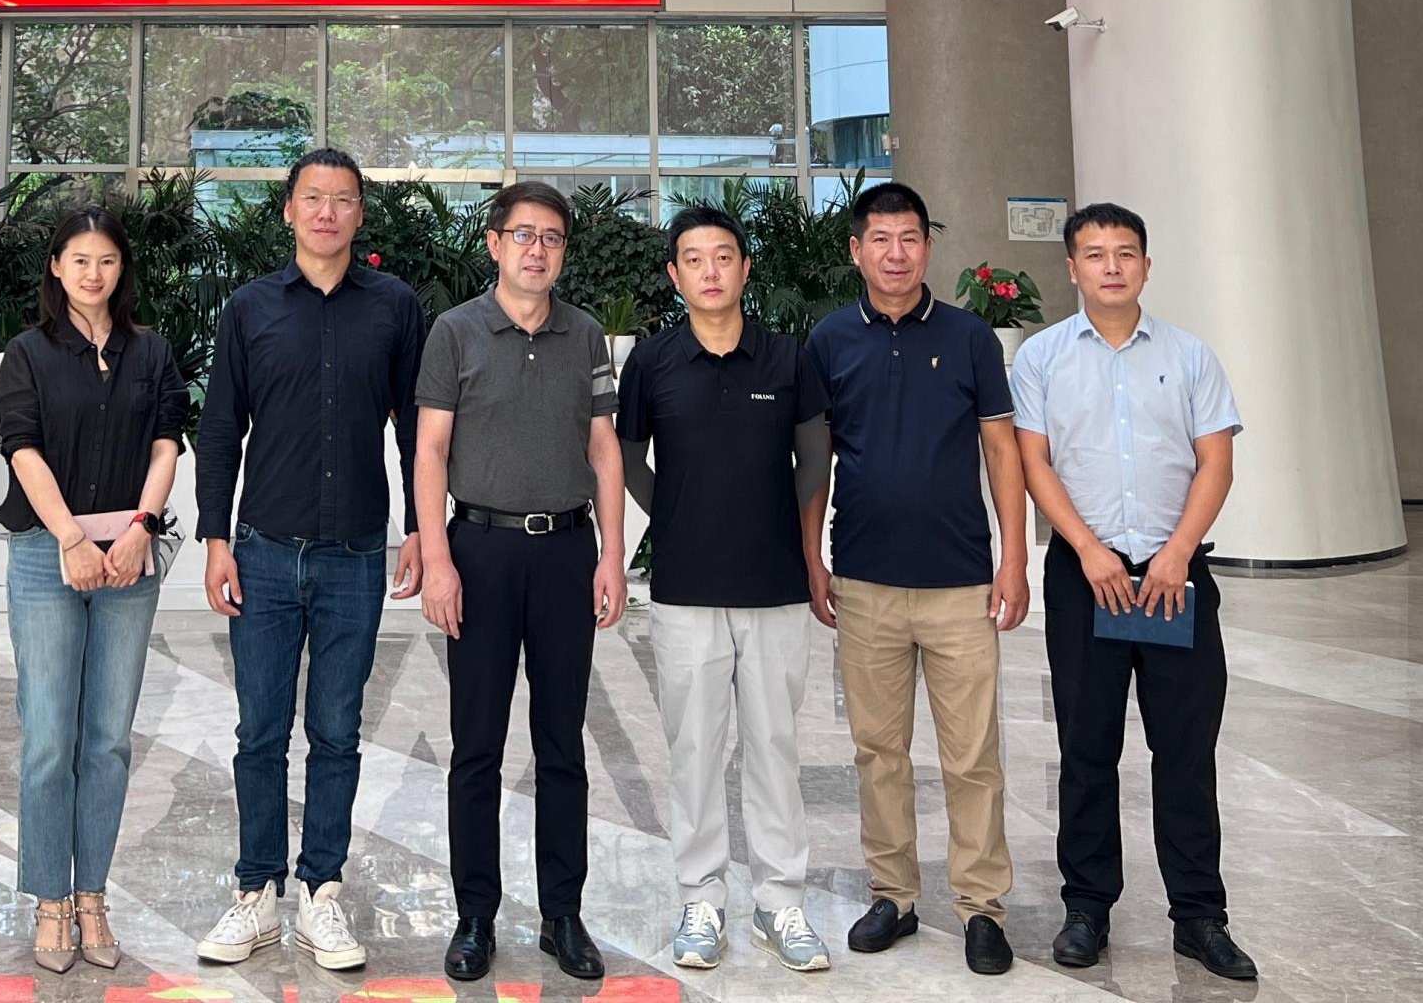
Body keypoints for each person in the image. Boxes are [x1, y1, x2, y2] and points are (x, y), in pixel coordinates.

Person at [192, 148, 429, 973]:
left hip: (355, 556)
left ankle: (321, 892)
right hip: (262, 551)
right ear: (289, 209)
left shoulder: (394, 307)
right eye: (313, 198)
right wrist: (215, 539)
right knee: (259, 732)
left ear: (361, 212)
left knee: (336, 732)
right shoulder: (250, 307)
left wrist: (419, 527)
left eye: (343, 199)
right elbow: (220, 428)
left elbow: (417, 428)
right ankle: (256, 892)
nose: (327, 212)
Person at [1011, 203, 1256, 983]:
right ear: (1071, 268)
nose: (1111, 266)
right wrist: (1088, 550)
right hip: (1087, 577)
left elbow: (1215, 462)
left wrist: (1177, 553)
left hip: (1173, 575)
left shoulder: (1190, 357)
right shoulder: (1041, 358)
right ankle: (1087, 907)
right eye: (1095, 254)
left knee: (1185, 750)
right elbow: (1033, 463)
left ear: (1147, 266)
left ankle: (1200, 915)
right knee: (1086, 748)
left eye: (1125, 253)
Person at [804, 179, 1030, 977]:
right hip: (865, 581)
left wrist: (1013, 557)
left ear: (927, 248)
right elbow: (814, 459)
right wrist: (813, 557)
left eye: (909, 239)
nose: (895, 254)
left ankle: (981, 907)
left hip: (960, 581)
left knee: (972, 756)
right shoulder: (829, 339)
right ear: (856, 250)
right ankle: (892, 896)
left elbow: (1001, 449)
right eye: (880, 239)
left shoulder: (969, 338)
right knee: (879, 751)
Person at [416, 179, 627, 984]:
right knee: (476, 745)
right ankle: (475, 915)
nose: (538, 250)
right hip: (480, 550)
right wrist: (439, 559)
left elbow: (603, 448)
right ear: (495, 244)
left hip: (567, 551)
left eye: (553, 238)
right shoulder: (455, 331)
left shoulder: (585, 336)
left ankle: (562, 914)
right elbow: (430, 450)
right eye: (524, 235)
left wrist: (612, 554)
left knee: (561, 743)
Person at [618, 205, 835, 975]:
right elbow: (628, 458)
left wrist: (800, 544)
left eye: (723, 257)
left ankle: (780, 902)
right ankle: (701, 899)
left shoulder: (786, 358)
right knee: (695, 751)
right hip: (685, 590)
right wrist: (674, 513)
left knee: (774, 747)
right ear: (674, 276)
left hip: (775, 587)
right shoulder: (651, 362)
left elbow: (815, 459)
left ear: (745, 268)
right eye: (693, 259)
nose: (709, 271)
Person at [0, 208, 189, 972]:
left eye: (106, 260)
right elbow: (22, 449)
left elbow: (168, 443)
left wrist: (141, 527)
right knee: (50, 737)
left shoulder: (152, 352)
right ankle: (50, 899)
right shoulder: (28, 353)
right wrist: (72, 539)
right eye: (78, 259)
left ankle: (93, 897)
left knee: (107, 739)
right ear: (56, 266)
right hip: (48, 556)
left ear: (121, 269)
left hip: (131, 559)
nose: (92, 273)